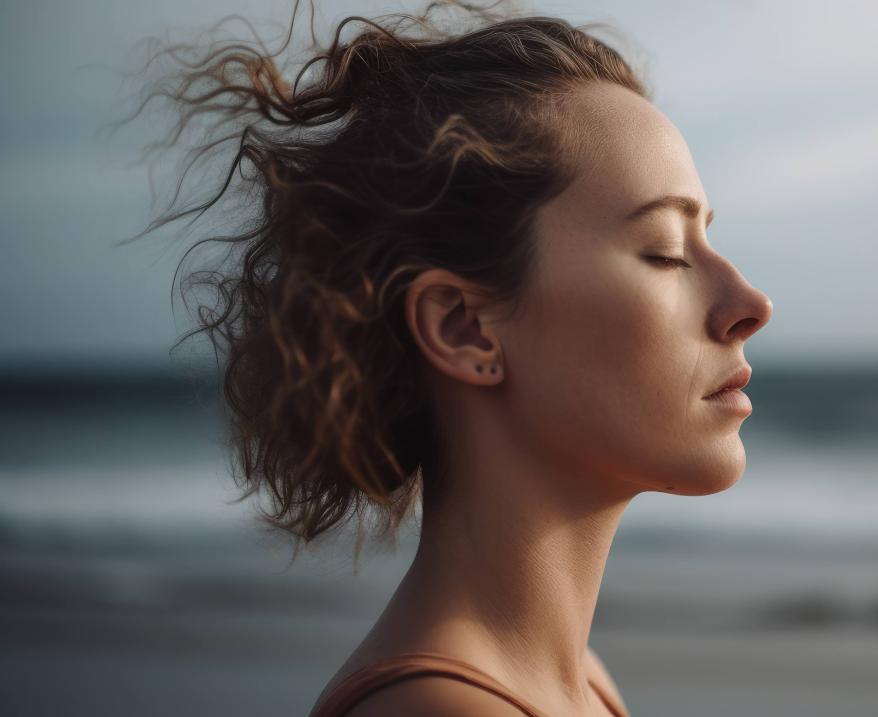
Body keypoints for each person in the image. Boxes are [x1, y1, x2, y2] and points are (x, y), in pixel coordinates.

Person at [121, 1, 772, 714]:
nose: (748, 301)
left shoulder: (583, 685)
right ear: (464, 327)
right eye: (666, 253)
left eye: (705, 239)